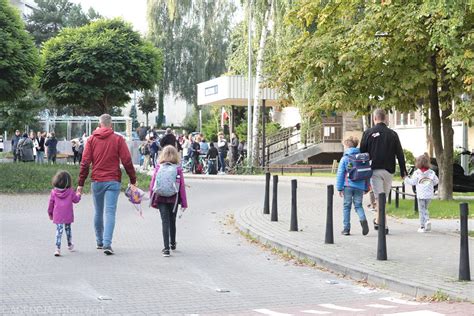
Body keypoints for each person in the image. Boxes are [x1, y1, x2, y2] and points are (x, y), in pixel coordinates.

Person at [77, 114, 137, 255]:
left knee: (98, 211)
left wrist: (80, 183)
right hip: (113, 180)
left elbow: (85, 163)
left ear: (99, 124)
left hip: (97, 181)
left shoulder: (91, 140)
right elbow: (127, 160)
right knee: (110, 212)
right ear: (111, 125)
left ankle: (99, 241)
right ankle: (107, 244)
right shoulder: (118, 139)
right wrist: (132, 179)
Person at [360, 109, 407, 234]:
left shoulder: (368, 133)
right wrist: (403, 170)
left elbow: (362, 154)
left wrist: (361, 173)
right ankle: (379, 221)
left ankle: (382, 225)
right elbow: (400, 153)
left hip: (374, 169)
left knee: (379, 198)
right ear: (385, 118)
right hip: (389, 170)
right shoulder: (392, 134)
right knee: (383, 198)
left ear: (375, 118)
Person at [149, 145, 188, 257]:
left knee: (164, 222)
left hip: (160, 197)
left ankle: (166, 249)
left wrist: (151, 198)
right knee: (172, 220)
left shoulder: (158, 168)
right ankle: (173, 243)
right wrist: (184, 203)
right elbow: (181, 188)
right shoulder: (178, 169)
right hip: (173, 198)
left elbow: (153, 184)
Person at [336, 136, 370, 236]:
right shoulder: (362, 158)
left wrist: (339, 187)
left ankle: (346, 229)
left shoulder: (345, 158)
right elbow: (366, 172)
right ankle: (363, 220)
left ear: (346, 146)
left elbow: (340, 173)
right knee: (358, 205)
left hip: (348, 186)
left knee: (347, 207)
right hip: (360, 186)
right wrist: (366, 186)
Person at [48, 170, 81, 256]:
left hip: (58, 215)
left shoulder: (53, 192)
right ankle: (69, 244)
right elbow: (76, 200)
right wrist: (78, 193)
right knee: (68, 229)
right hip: (67, 215)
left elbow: (50, 204)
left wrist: (50, 213)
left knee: (59, 231)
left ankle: (57, 248)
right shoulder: (70, 191)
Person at [404, 153, 439, 233]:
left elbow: (412, 182)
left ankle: (422, 226)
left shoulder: (417, 173)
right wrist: (430, 184)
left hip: (421, 195)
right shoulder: (431, 173)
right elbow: (436, 181)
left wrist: (406, 178)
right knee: (426, 209)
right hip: (429, 194)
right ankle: (427, 221)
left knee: (421, 210)